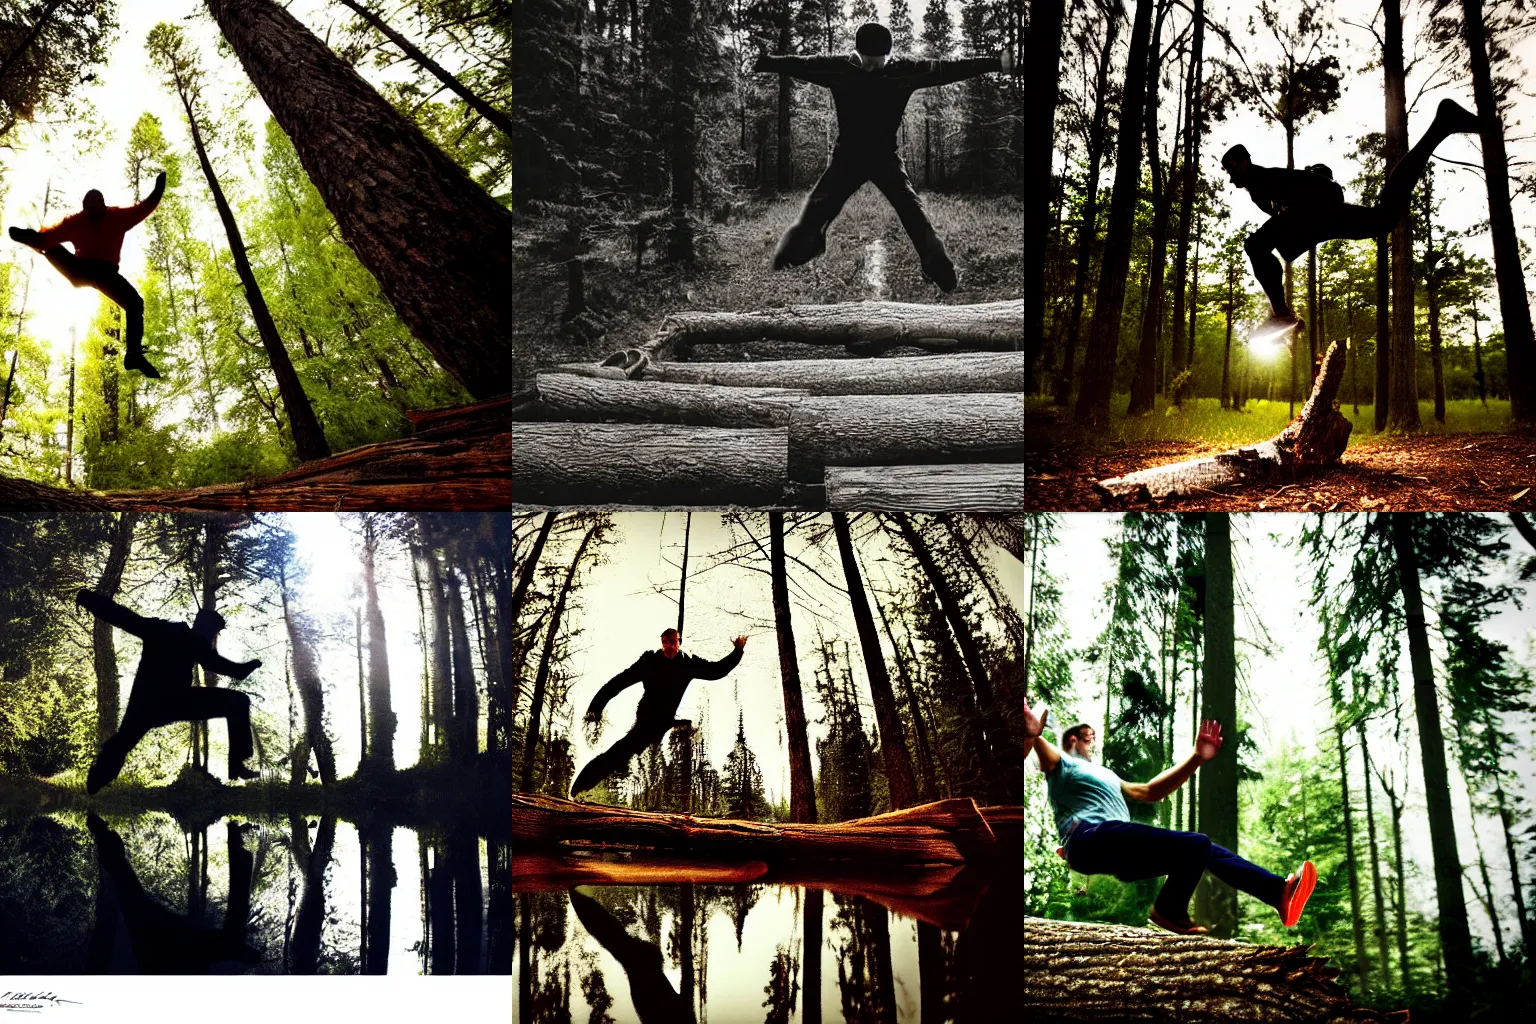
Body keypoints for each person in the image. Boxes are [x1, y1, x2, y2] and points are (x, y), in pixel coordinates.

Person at [754, 22, 1017, 293]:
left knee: (912, 209)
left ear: (888, 56)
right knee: (819, 203)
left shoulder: (904, 72)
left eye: (876, 63)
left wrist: (996, 63)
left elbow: (950, 69)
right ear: (857, 54)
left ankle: (938, 266)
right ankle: (796, 252)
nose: (870, 68)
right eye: (865, 62)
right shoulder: (840, 68)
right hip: (849, 159)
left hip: (884, 159)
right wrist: (767, 61)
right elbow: (801, 65)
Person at [1023, 695, 1316, 935]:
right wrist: (1031, 731)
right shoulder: (1062, 763)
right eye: (1088, 738)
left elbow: (1150, 792)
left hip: (1121, 854)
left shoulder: (1108, 776)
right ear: (1072, 741)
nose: (1093, 742)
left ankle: (1276, 892)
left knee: (1201, 850)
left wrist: (1197, 756)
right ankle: (1169, 910)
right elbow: (1030, 741)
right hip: (1086, 839)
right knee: (1196, 844)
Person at [1223, 97, 1485, 341]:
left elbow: (1310, 186)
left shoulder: (1261, 180)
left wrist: (1316, 182)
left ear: (1242, 162)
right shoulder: (1260, 190)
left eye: (1231, 170)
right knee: (1385, 218)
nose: (1232, 179)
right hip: (1323, 216)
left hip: (1318, 208)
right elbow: (1308, 190)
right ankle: (1442, 126)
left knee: (1255, 245)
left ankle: (1281, 316)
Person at [77, 589, 262, 794]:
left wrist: (91, 601)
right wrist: (247, 668)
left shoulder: (161, 629)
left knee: (122, 742)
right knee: (238, 701)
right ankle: (236, 764)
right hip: (174, 703)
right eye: (214, 634)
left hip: (146, 705)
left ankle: (94, 785)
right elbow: (214, 664)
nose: (213, 639)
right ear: (207, 630)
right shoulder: (194, 641)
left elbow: (125, 618)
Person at [9, 171, 168, 378]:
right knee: (49, 245)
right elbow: (50, 238)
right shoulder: (76, 221)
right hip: (81, 270)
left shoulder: (117, 217)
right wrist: (32, 238)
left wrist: (158, 190)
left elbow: (143, 209)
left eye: (95, 210)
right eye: (88, 211)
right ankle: (31, 238)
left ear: (103, 205)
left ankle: (134, 355)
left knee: (135, 303)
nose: (91, 216)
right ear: (85, 209)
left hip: (103, 273)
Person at [569, 628, 747, 798]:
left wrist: (737, 651)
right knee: (621, 753)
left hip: (666, 722)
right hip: (646, 721)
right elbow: (618, 683)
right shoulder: (649, 663)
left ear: (679, 643)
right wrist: (595, 708)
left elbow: (716, 671)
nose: (668, 646)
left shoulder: (688, 664)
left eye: (672, 642)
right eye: (665, 643)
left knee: (689, 732)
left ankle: (682, 796)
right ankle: (580, 789)